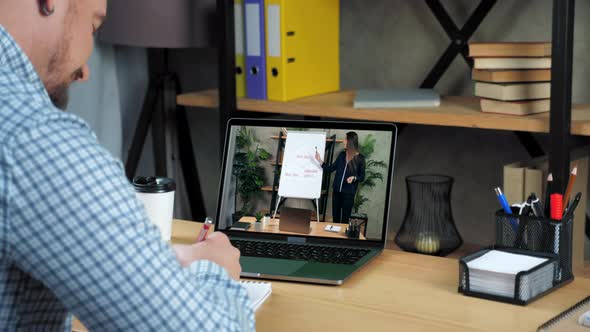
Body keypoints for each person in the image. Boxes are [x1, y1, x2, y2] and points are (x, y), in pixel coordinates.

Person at [0, 1, 254, 330]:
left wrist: (152, 268)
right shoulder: (34, 140)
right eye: (93, 27)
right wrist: (215, 270)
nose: (85, 71)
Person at [316, 132, 366, 223]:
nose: (343, 141)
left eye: (345, 139)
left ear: (350, 141)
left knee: (345, 220)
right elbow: (330, 168)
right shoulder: (342, 155)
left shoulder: (360, 159)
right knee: (335, 218)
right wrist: (319, 160)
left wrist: (354, 178)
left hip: (349, 194)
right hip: (336, 192)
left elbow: (362, 177)